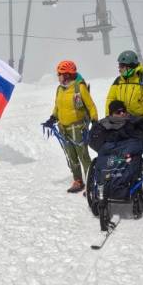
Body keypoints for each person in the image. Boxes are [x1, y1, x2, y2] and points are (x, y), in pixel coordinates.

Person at [105, 50, 143, 201]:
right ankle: (127, 181)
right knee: (127, 154)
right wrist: (110, 117)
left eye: (122, 67)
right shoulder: (118, 81)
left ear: (131, 66)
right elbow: (110, 99)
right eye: (119, 67)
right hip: (124, 123)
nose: (120, 70)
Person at [43, 60, 98, 193]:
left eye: (60, 74)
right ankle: (78, 180)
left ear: (67, 75)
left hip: (78, 129)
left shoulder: (80, 87)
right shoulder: (60, 89)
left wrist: (95, 121)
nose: (58, 76)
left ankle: (92, 183)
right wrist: (53, 118)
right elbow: (57, 106)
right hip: (64, 129)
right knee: (71, 156)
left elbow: (91, 106)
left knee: (83, 156)